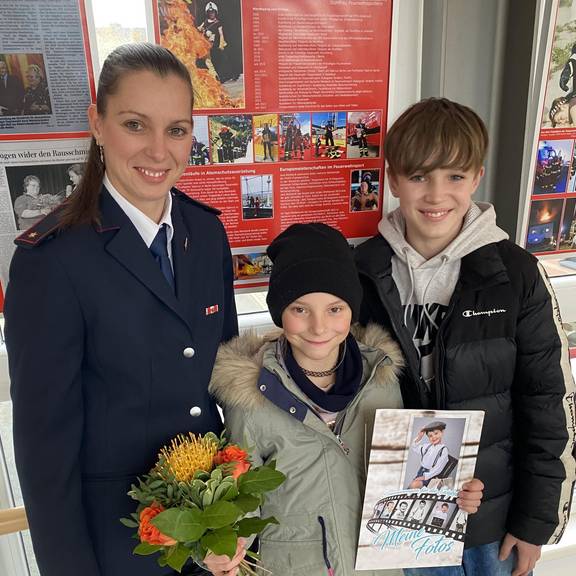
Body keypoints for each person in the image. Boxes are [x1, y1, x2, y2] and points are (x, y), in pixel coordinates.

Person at [4, 43, 237, 576]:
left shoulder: (206, 232)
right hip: (117, 544)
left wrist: (236, 516)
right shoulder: (54, 259)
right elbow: (45, 452)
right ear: (98, 124)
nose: (159, 151)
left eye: (177, 130)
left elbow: (221, 380)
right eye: (136, 124)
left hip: (214, 534)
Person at [354, 97, 576, 576]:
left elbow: (547, 403)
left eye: (454, 177)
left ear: (476, 177)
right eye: (419, 177)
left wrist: (536, 520)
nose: (436, 195)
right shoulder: (363, 272)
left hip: (491, 522)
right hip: (398, 519)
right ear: (393, 179)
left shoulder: (516, 275)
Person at [207, 222, 484, 576]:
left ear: (352, 308)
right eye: (300, 309)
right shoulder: (251, 395)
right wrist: (221, 548)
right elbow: (238, 500)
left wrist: (453, 495)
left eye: (335, 309)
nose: (319, 327)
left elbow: (408, 477)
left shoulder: (381, 377)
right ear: (280, 312)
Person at [409, 421, 451, 489]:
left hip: (431, 475)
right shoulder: (427, 447)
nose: (433, 437)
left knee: (414, 486)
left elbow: (438, 468)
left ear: (442, 432)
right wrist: (419, 437)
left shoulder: (443, 450)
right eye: (430, 436)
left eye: (436, 433)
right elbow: (414, 447)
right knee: (411, 489)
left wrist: (425, 477)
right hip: (421, 472)